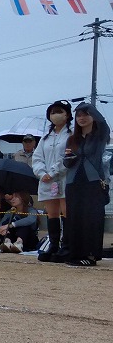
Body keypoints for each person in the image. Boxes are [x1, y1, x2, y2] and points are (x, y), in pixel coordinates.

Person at [62, 102, 110, 267]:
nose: (81, 118)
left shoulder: (100, 135)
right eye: (79, 115)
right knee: (74, 218)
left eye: (86, 114)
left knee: (92, 218)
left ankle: (90, 255)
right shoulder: (72, 139)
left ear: (93, 116)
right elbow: (66, 162)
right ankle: (76, 254)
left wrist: (87, 106)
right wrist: (68, 159)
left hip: (93, 181)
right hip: (73, 182)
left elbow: (103, 122)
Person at [33, 100, 73, 262]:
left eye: (59, 111)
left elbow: (69, 156)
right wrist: (42, 173)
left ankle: (67, 246)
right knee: (52, 214)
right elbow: (37, 157)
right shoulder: (45, 137)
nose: (55, 115)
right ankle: (53, 245)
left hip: (65, 178)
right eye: (52, 112)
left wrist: (53, 172)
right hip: (47, 181)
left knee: (67, 212)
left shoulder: (71, 134)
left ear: (67, 114)